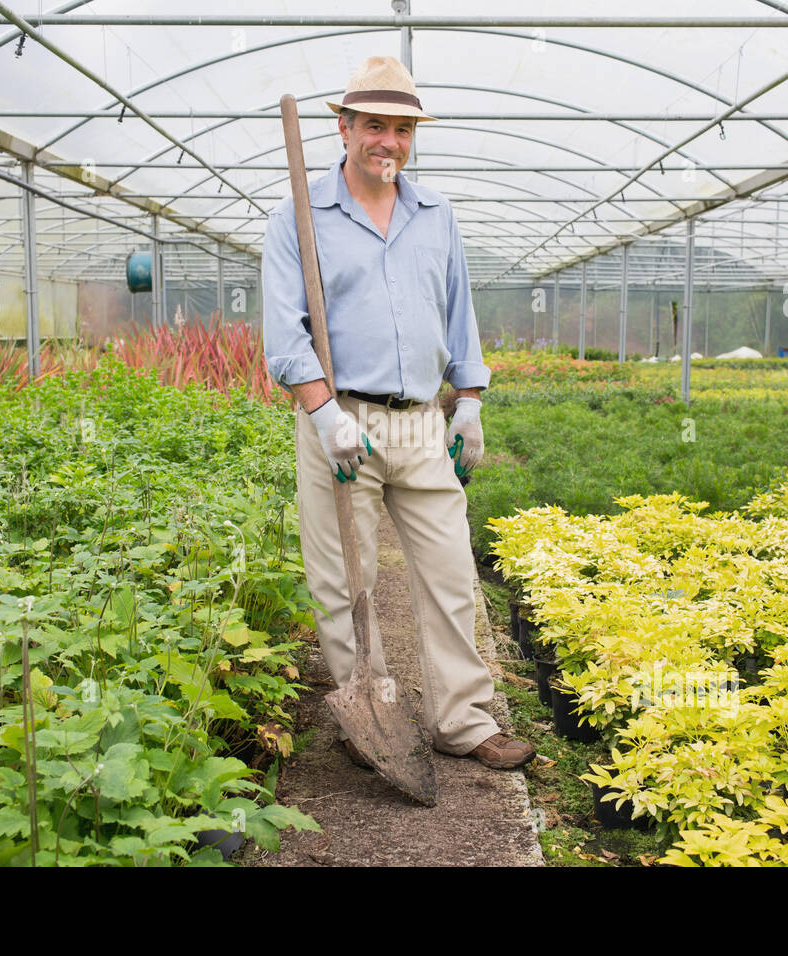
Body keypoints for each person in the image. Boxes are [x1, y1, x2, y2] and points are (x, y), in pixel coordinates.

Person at [262, 55, 535, 771]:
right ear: (345, 128)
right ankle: (370, 711)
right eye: (375, 125)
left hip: (419, 421)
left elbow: (459, 313)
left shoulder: (435, 215)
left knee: (448, 569)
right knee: (343, 581)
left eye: (403, 128)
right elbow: (285, 333)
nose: (389, 141)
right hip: (341, 419)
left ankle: (463, 720)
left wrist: (468, 400)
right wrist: (323, 413)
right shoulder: (301, 214)